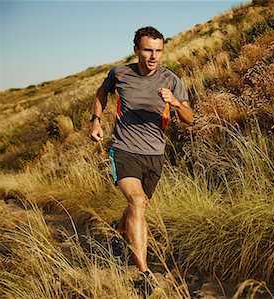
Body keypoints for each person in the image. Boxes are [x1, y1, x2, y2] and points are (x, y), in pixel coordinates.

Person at [88, 26, 193, 289]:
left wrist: (176, 103)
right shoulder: (120, 74)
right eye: (147, 50)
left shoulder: (170, 80)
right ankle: (144, 275)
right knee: (136, 201)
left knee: (140, 206)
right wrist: (95, 122)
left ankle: (118, 231)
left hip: (154, 154)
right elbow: (102, 93)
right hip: (124, 149)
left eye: (158, 51)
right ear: (136, 50)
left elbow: (190, 120)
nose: (153, 56)